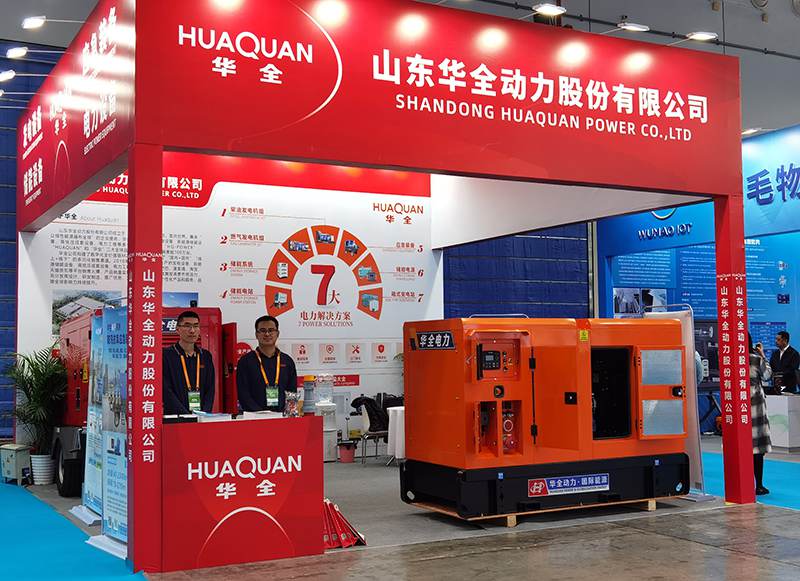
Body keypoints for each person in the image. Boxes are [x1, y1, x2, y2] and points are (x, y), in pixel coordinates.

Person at [237, 315, 298, 412]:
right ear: (256, 334)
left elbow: (292, 392)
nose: (267, 334)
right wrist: (260, 414)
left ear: (277, 333)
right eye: (262, 330)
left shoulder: (287, 361)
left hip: (282, 417)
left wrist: (287, 413)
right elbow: (243, 394)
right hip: (255, 416)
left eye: (271, 330)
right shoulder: (245, 361)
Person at [162, 310, 215, 415]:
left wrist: (204, 413)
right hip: (176, 417)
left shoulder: (205, 356)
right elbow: (166, 390)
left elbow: (210, 389)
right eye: (187, 326)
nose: (192, 330)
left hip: (201, 417)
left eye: (196, 326)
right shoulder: (166, 355)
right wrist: (186, 415)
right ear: (178, 329)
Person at [749, 334, 772, 495]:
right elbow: (767, 375)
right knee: (757, 449)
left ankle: (742, 484)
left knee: (741, 448)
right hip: (755, 406)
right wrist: (762, 355)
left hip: (737, 407)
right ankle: (759, 485)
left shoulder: (729, 360)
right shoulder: (755, 359)